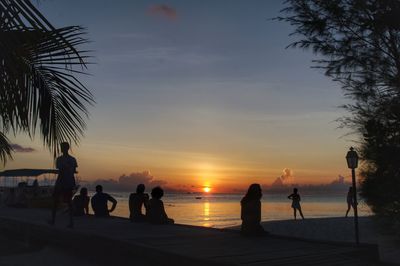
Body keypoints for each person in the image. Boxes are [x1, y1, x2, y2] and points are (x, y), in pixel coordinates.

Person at [49, 142, 77, 228]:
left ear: (66, 148)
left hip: (62, 182)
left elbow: (61, 171)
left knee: (56, 201)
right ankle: (70, 222)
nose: (61, 148)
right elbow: (74, 171)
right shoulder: (73, 159)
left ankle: (53, 220)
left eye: (62, 147)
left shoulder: (60, 159)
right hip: (68, 182)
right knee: (68, 202)